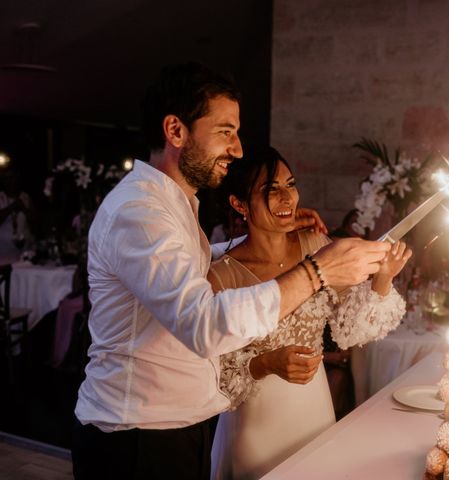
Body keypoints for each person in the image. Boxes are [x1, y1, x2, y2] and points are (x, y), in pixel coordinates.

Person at [71, 62, 392, 480]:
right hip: (138, 439)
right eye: (226, 132)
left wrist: (267, 239)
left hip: (174, 429)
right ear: (176, 131)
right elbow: (203, 324)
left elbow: (184, 271)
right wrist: (316, 269)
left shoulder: (172, 205)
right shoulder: (141, 212)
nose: (238, 149)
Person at [208, 147, 410, 479]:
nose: (287, 197)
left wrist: (384, 277)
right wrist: (265, 363)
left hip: (314, 410)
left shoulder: (316, 246)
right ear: (239, 204)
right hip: (255, 427)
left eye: (290, 184)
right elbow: (207, 375)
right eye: (271, 190)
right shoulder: (222, 275)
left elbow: (352, 329)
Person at [0, 168, 33, 262]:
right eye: (6, 178)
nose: (9, 181)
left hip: (24, 248)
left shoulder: (25, 197)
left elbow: (35, 222)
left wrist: (24, 209)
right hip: (3, 249)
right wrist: (11, 208)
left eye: (12, 177)